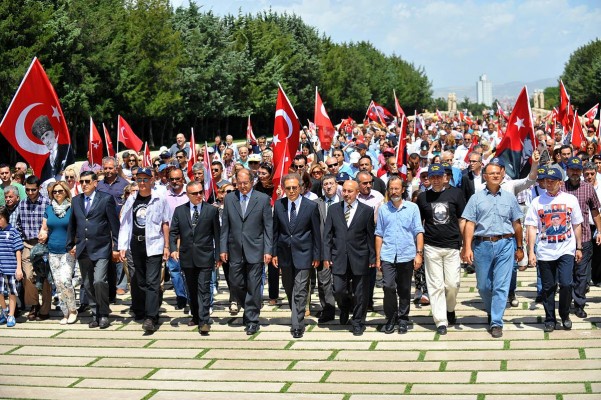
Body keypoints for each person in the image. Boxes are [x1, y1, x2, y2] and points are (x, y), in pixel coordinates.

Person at [461, 163, 524, 338]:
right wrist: (467, 247)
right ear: (485, 177)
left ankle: (496, 321)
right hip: (482, 245)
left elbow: (517, 224)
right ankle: (492, 309)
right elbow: (470, 224)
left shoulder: (510, 198)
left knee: (501, 286)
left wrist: (520, 247)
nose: (495, 176)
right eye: (491, 173)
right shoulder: (476, 198)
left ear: (502, 176)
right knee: (483, 285)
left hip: (505, 243)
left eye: (498, 173)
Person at [525, 165, 584, 333]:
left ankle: (564, 314)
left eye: (552, 181)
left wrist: (579, 247)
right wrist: (531, 252)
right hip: (545, 251)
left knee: (566, 283)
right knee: (548, 287)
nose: (548, 184)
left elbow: (577, 224)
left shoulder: (570, 199)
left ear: (560, 182)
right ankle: (550, 318)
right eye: (545, 181)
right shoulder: (537, 202)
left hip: (566, 249)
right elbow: (530, 227)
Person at [220, 169, 273, 335]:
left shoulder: (263, 199)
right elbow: (225, 226)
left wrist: (268, 249)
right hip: (234, 249)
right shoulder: (229, 199)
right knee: (235, 283)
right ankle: (249, 307)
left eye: (246, 183)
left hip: (256, 249)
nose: (242, 186)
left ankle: (252, 319)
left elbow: (268, 227)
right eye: (239, 183)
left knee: (254, 284)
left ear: (252, 182)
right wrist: (222, 248)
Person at [118, 168, 170, 333]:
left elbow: (165, 223)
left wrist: (167, 246)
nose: (142, 183)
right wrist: (122, 246)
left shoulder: (159, 199)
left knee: (152, 282)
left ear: (151, 180)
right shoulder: (132, 199)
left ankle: (151, 317)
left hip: (154, 244)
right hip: (136, 244)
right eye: (139, 179)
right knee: (140, 281)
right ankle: (145, 308)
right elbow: (125, 222)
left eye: (145, 179)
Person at [416, 164, 466, 334]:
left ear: (445, 177)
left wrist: (466, 244)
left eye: (439, 176)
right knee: (435, 285)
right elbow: (419, 226)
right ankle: (440, 321)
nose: (436, 180)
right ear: (428, 179)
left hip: (452, 245)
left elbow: (462, 220)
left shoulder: (456, 194)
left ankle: (450, 308)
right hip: (431, 246)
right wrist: (420, 250)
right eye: (432, 177)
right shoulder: (423, 198)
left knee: (453, 284)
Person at [67, 171, 120, 329]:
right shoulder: (76, 200)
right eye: (81, 181)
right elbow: (72, 224)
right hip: (83, 248)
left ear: (96, 182)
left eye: (87, 181)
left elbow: (114, 225)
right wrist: (70, 245)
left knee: (99, 281)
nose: (84, 184)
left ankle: (103, 313)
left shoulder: (105, 199)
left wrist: (116, 247)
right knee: (88, 284)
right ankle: (95, 313)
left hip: (102, 247)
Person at [323, 180, 375, 336]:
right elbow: (327, 235)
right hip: (338, 257)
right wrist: (326, 255)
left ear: (357, 192)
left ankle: (358, 321)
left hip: (360, 257)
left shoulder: (366, 210)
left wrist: (373, 258)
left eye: (349, 191)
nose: (346, 194)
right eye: (344, 191)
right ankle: (344, 307)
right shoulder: (333, 210)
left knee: (360, 292)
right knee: (338, 289)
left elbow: (370, 236)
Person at [273, 173, 321, 338]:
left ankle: (297, 325)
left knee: (300, 290)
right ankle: (296, 314)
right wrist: (273, 253)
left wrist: (316, 254)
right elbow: (275, 232)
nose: (292, 191)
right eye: (288, 188)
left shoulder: (311, 206)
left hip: (304, 253)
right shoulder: (279, 205)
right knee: (289, 288)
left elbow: (316, 233)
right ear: (284, 189)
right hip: (284, 254)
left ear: (300, 188)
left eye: (294, 187)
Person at [170, 181, 221, 335]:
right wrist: (173, 249)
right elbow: (173, 232)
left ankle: (204, 321)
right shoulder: (180, 211)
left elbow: (217, 235)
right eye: (195, 193)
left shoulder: (211, 210)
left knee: (204, 288)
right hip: (187, 257)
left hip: (205, 256)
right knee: (191, 289)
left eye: (200, 192)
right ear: (188, 195)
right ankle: (196, 316)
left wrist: (218, 255)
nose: (199, 195)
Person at [375, 176, 424, 334]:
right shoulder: (383, 209)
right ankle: (390, 318)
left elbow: (418, 231)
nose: (394, 191)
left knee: (404, 288)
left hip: (406, 254)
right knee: (388, 286)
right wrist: (378, 258)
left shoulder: (412, 208)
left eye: (397, 188)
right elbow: (379, 234)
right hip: (388, 255)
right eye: (391, 188)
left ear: (403, 189)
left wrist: (419, 254)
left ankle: (403, 318)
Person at [562, 157, 601, 319]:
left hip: (584, 237)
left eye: (578, 170)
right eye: (572, 170)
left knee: (582, 274)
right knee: (566, 274)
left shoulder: (588, 188)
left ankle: (579, 304)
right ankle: (566, 301)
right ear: (567, 170)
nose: (575, 173)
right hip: (564, 238)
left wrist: (599, 230)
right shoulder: (560, 187)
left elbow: (595, 211)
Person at [38, 181, 78, 325]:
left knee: (66, 280)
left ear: (66, 192)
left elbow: (78, 228)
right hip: (52, 250)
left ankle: (73, 310)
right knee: (59, 283)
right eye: (54, 192)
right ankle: (65, 312)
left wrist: (76, 244)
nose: (57, 194)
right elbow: (44, 227)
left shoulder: (73, 208)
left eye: (60, 191)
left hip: (68, 250)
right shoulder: (49, 209)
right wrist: (42, 233)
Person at [17, 175, 52, 321]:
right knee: (27, 275)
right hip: (27, 243)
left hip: (43, 245)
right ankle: (33, 304)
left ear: (39, 188)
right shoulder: (22, 204)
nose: (30, 193)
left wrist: (47, 234)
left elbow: (52, 223)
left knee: (45, 277)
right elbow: (17, 224)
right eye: (27, 190)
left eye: (33, 190)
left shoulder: (47, 203)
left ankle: (45, 309)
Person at [164, 167, 190, 309]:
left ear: (183, 178)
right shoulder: (164, 194)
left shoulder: (190, 192)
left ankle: (191, 294)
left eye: (177, 178)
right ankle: (180, 295)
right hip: (171, 236)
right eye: (172, 179)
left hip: (187, 237)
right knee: (174, 269)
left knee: (188, 269)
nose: (175, 181)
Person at [31, 115, 74, 182]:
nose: (46, 140)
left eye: (47, 134)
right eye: (43, 138)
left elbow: (72, 169)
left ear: (53, 132)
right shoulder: (46, 163)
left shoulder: (66, 149)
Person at [0, 206, 24, 327]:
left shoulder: (13, 231)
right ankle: (4, 311)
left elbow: (18, 250)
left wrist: (18, 268)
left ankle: (11, 315)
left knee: (11, 292)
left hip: (10, 267)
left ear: (5, 218)